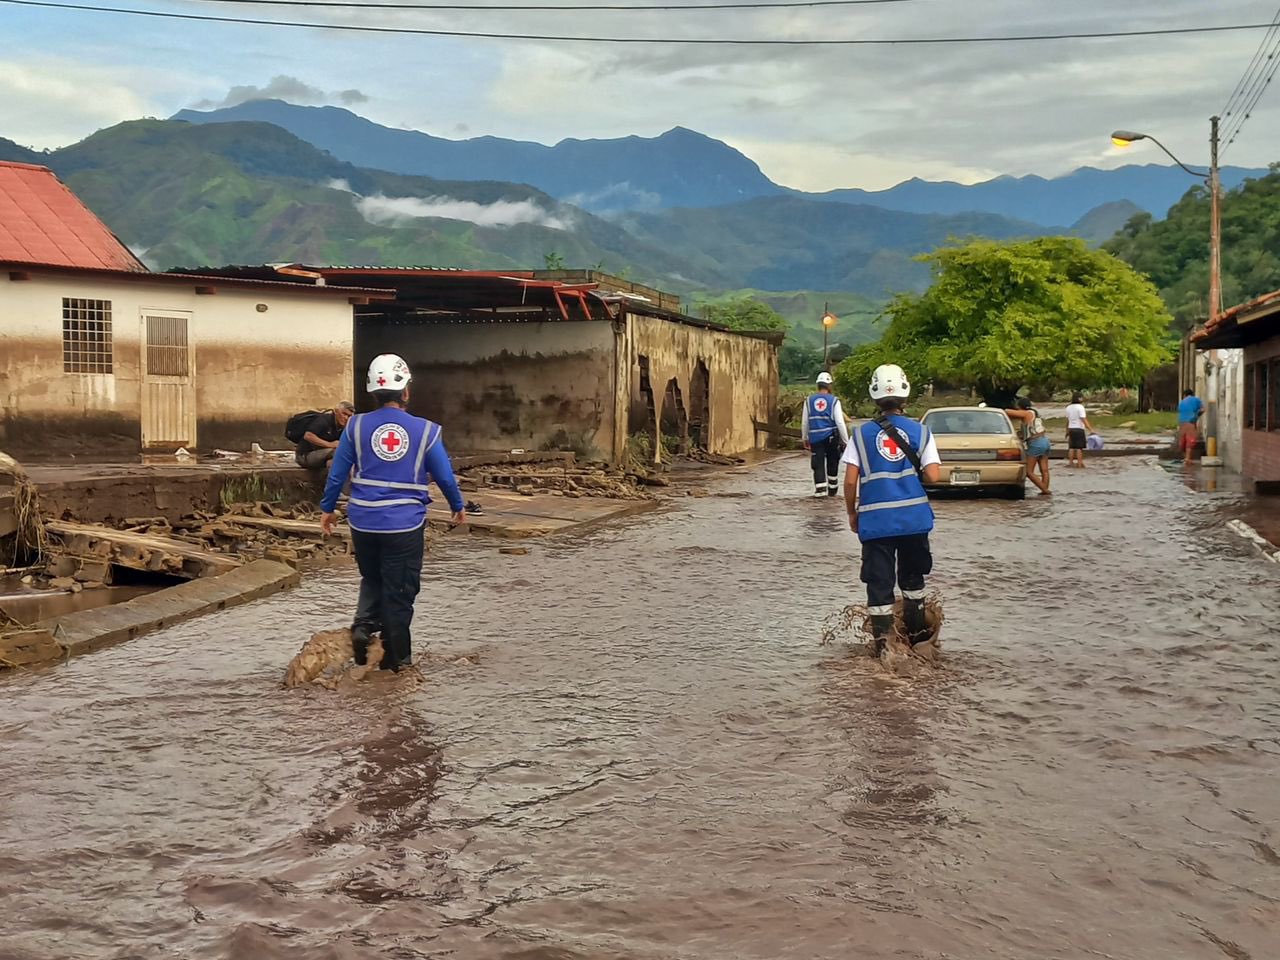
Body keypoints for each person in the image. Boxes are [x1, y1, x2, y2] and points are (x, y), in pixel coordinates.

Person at [319, 355, 466, 672]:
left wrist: (327, 509)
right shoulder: (426, 431)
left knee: (372, 577)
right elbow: (444, 476)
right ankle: (398, 667)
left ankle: (363, 630)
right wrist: (457, 505)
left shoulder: (355, 426)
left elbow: (337, 474)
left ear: (373, 392)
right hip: (403, 524)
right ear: (406, 392)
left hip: (363, 520)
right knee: (400, 592)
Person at [841, 363, 941, 655]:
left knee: (879, 584)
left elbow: (849, 482)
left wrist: (851, 513)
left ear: (874, 397)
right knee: (913, 580)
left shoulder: (860, 435)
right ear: (905, 396)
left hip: (875, 521)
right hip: (913, 519)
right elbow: (934, 475)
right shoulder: (921, 432)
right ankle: (917, 641)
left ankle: (884, 649)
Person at [802, 372, 851, 498]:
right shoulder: (834, 401)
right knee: (833, 461)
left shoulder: (808, 401)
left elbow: (805, 422)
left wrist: (804, 438)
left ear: (818, 385)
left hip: (815, 438)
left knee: (817, 464)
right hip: (831, 437)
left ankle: (820, 492)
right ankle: (832, 490)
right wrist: (846, 441)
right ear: (829, 385)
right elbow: (840, 422)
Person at [1005, 397, 1051, 495]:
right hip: (1045, 441)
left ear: (1019, 407)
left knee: (1029, 472)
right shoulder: (1034, 414)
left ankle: (1046, 491)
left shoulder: (1027, 413)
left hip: (1036, 443)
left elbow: (1007, 412)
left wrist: (998, 409)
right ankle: (1044, 492)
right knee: (1044, 470)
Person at [296, 402, 355, 469]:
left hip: (325, 455)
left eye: (349, 416)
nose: (346, 418)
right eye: (344, 414)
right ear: (336, 411)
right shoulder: (324, 420)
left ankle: (333, 478)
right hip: (305, 455)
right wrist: (330, 444)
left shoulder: (344, 427)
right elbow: (308, 436)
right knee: (337, 452)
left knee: (336, 460)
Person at [1064, 393, 1094, 469]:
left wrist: (1067, 431)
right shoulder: (1080, 407)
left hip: (1071, 428)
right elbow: (1083, 419)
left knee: (1071, 447)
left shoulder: (1068, 407)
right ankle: (1079, 464)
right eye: (1081, 398)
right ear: (1079, 398)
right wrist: (1090, 429)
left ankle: (1070, 463)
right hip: (1079, 429)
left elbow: (1067, 421)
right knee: (1079, 448)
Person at [1177, 388, 1205, 463]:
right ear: (1192, 394)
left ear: (1184, 395)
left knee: (1182, 441)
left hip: (1181, 422)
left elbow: (1180, 411)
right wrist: (1197, 416)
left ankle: (1185, 457)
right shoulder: (1196, 400)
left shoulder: (1182, 402)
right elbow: (1203, 409)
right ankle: (1188, 459)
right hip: (1190, 422)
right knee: (1190, 440)